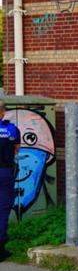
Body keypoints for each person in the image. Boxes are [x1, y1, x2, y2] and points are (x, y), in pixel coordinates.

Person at [0, 101, 21, 256]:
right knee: (2, 210)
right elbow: (16, 149)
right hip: (4, 172)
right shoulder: (11, 129)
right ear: (3, 113)